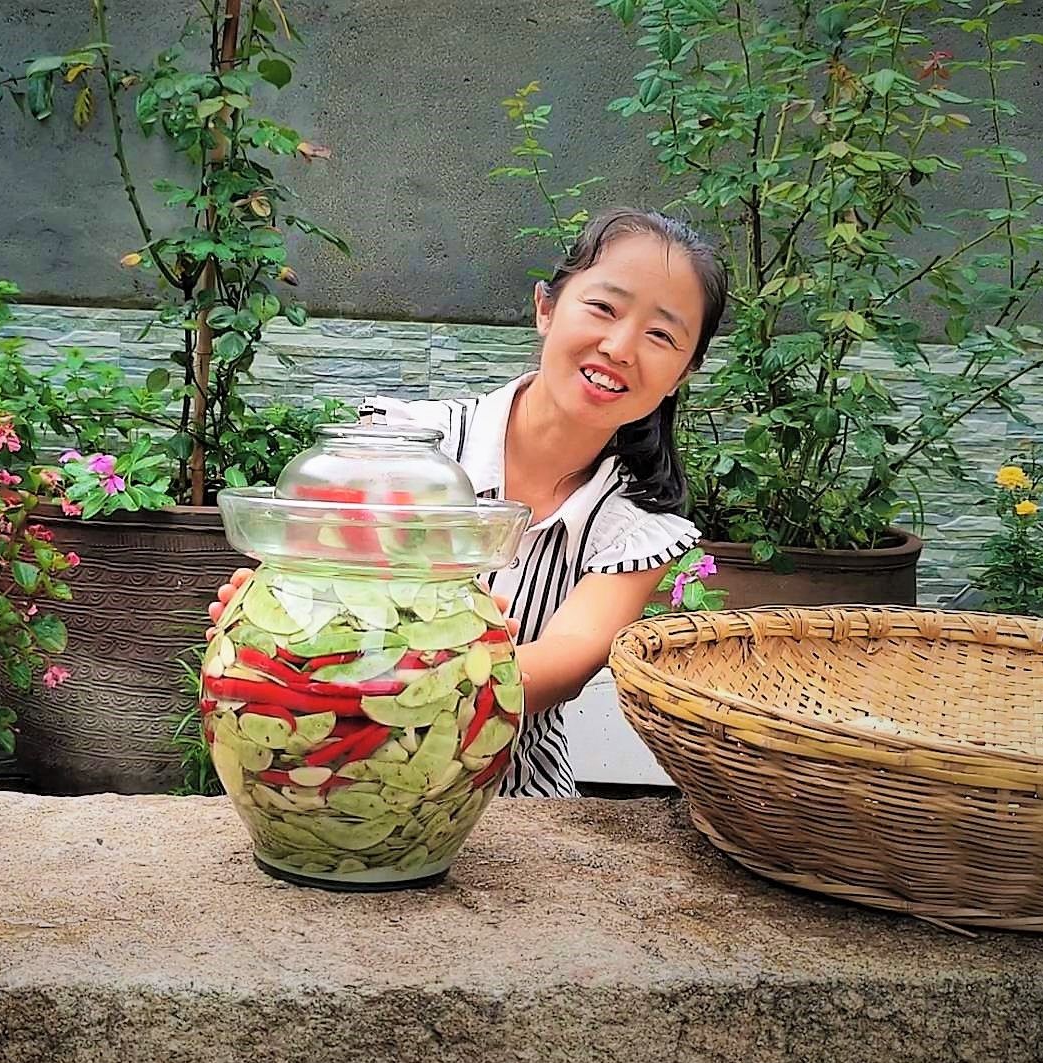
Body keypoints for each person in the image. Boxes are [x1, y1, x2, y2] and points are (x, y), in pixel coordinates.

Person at [209, 207, 729, 796]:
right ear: (546, 308)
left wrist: (462, 659)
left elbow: (571, 657)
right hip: (335, 774)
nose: (619, 346)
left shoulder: (637, 526)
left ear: (685, 371)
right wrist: (275, 637)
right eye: (603, 308)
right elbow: (330, 586)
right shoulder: (402, 447)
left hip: (513, 800)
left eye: (661, 335)